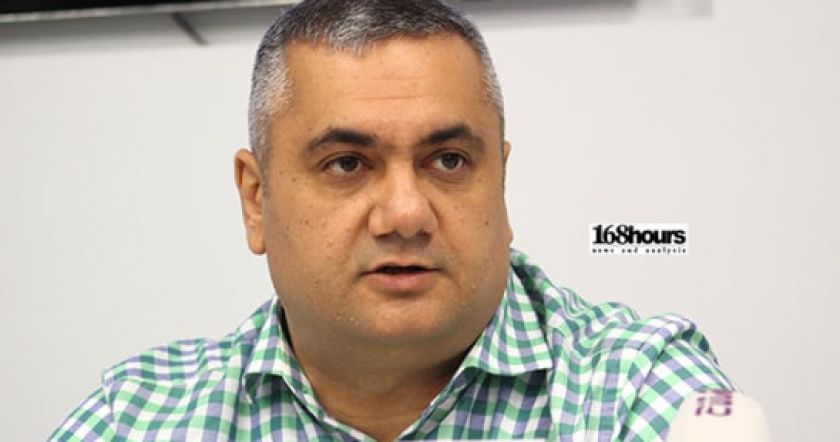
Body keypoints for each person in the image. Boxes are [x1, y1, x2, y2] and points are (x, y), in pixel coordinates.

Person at [50, 0, 734, 440]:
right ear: (256, 200)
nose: (406, 213)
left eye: (449, 161)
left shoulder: (635, 387)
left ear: (500, 183)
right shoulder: (139, 417)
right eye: (347, 164)